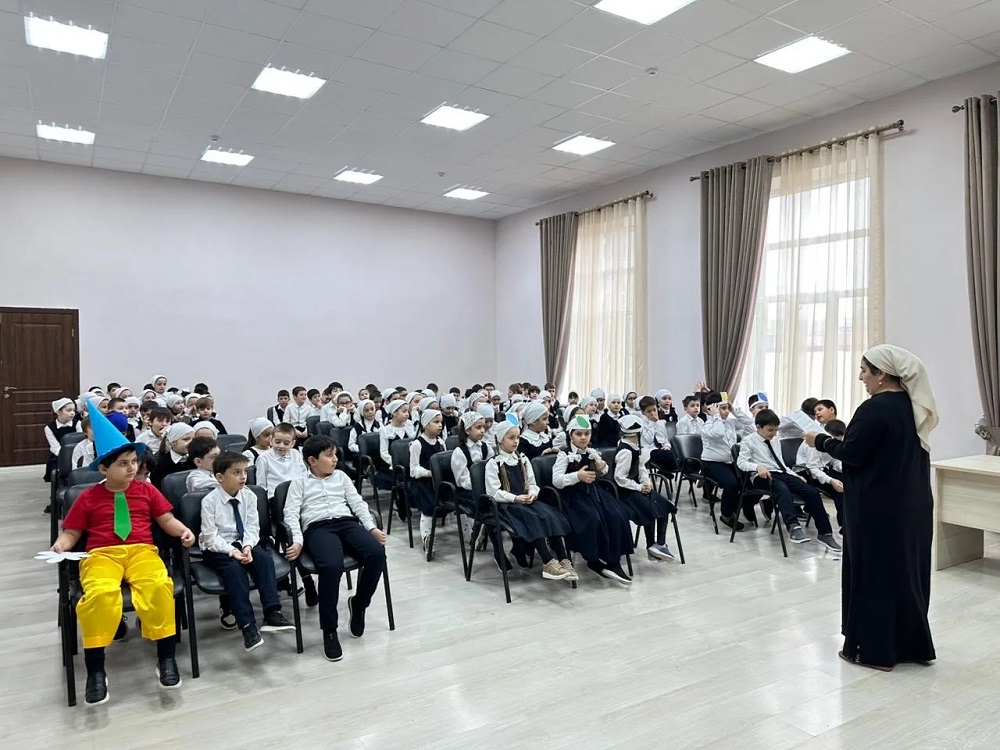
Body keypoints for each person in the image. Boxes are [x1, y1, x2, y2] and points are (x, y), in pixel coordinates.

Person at [804, 345, 938, 671]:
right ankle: (911, 646)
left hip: (878, 508)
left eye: (865, 371)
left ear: (882, 374)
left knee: (874, 575)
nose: (861, 377)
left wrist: (818, 440)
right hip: (913, 505)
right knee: (906, 574)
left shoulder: (874, 408)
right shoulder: (912, 406)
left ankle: (876, 651)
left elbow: (852, 453)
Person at [50, 404, 195, 705]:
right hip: (102, 554)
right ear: (104, 469)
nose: (131, 469)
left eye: (133, 462)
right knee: (100, 594)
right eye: (123, 464)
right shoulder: (88, 497)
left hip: (141, 551)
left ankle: (166, 657)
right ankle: (96, 669)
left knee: (159, 586)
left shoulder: (147, 491)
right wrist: (62, 544)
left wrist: (183, 530)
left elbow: (166, 520)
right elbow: (73, 531)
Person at [284, 435, 387, 662]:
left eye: (335, 454)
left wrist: (371, 528)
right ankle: (329, 630)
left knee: (376, 555)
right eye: (329, 455)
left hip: (346, 522)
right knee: (331, 566)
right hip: (318, 528)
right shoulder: (299, 483)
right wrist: (298, 541)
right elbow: (290, 514)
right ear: (312, 460)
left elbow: (358, 503)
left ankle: (359, 605)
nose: (335, 459)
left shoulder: (341, 476)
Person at [199, 451, 295, 652]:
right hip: (218, 547)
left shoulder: (250, 496)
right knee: (234, 571)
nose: (243, 476)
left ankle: (272, 613)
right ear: (220, 477)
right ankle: (247, 625)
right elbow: (210, 536)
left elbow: (253, 526)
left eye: (245, 471)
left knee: (264, 559)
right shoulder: (209, 501)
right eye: (236, 472)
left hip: (243, 543)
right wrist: (231, 551)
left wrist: (248, 546)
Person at [484, 416, 575, 582]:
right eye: (511, 438)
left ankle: (563, 559)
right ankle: (548, 561)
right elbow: (493, 492)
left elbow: (532, 483)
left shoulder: (523, 459)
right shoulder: (494, 463)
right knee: (533, 518)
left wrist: (533, 493)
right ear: (500, 439)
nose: (515, 441)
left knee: (549, 515)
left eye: (517, 437)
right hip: (507, 505)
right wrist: (515, 498)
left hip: (526, 500)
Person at [737, 409, 841, 550]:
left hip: (781, 473)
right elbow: (741, 462)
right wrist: (757, 467)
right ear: (758, 427)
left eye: (776, 430)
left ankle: (825, 533)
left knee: (812, 492)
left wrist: (794, 475)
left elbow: (781, 463)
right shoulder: (748, 441)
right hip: (761, 476)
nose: (774, 433)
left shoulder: (775, 441)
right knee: (782, 489)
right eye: (770, 430)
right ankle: (793, 527)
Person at [553, 415, 634, 584]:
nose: (583, 437)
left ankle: (614, 561)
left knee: (617, 515)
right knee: (592, 519)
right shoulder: (564, 455)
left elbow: (603, 471)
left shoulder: (591, 452)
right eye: (578, 434)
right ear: (570, 435)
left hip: (595, 492)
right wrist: (577, 476)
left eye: (587, 434)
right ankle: (594, 559)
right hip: (574, 496)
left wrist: (602, 467)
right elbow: (557, 480)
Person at [613, 415, 675, 561]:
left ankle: (660, 544)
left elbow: (641, 468)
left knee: (663, 505)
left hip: (638, 487)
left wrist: (646, 483)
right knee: (649, 509)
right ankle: (651, 545)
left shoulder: (636, 447)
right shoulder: (625, 452)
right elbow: (620, 478)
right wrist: (638, 487)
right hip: (626, 492)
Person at [699, 394, 746, 531]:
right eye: (722, 408)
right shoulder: (707, 425)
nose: (726, 411)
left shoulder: (730, 423)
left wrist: (733, 409)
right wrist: (715, 416)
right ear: (711, 409)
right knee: (732, 484)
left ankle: (733, 509)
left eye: (727, 408)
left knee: (746, 482)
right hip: (712, 463)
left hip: (729, 462)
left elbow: (749, 423)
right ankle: (726, 515)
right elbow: (718, 433)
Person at [798, 419, 846, 533]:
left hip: (823, 469)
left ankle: (850, 522)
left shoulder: (835, 441)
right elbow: (812, 468)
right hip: (806, 472)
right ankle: (844, 526)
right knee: (839, 491)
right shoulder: (813, 443)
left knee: (847, 483)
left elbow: (835, 461)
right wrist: (831, 480)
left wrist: (845, 469)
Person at [408, 409, 446, 554]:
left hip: (438, 482)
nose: (440, 425)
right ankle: (427, 538)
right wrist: (429, 473)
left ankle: (472, 535)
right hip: (423, 483)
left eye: (441, 422)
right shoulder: (417, 444)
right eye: (436, 422)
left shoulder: (441, 442)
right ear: (425, 424)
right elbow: (413, 469)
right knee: (429, 506)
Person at [150, 422, 194, 488]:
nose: (191, 443)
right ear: (172, 442)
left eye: (193, 439)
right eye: (186, 439)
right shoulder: (159, 461)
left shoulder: (196, 457)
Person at [44, 398, 78, 482]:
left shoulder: (78, 424)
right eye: (68, 410)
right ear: (58, 412)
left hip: (76, 453)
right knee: (57, 473)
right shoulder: (49, 428)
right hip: (59, 456)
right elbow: (55, 446)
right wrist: (65, 456)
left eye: (74, 410)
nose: (72, 413)